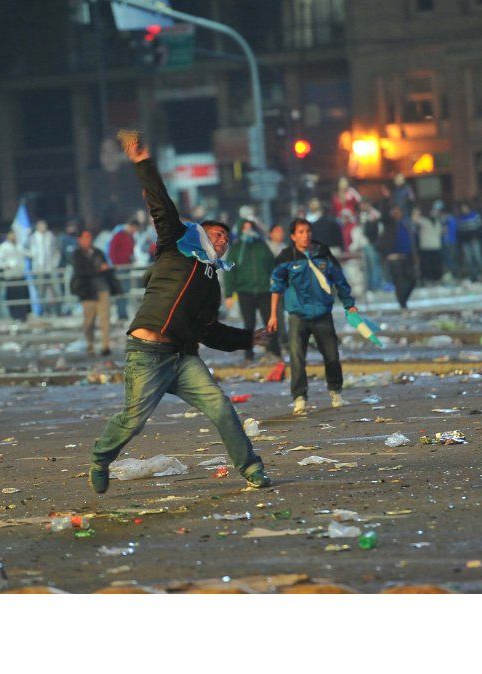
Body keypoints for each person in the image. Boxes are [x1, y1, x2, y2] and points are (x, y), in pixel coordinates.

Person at [89, 136, 272, 494]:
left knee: (221, 407)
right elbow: (161, 205)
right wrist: (143, 162)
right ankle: (100, 458)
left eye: (225, 240)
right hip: (146, 354)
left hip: (183, 358)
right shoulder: (174, 244)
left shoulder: (212, 283)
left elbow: (209, 330)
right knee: (133, 421)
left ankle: (252, 470)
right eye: (216, 234)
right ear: (202, 233)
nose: (221, 242)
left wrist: (247, 338)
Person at [268, 218, 357, 416]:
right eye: (300, 232)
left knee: (332, 355)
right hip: (297, 316)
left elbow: (339, 280)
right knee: (297, 358)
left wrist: (349, 304)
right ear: (293, 236)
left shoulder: (322, 253)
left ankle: (335, 391)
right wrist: (273, 315)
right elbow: (276, 288)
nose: (305, 235)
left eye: (308, 231)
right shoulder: (285, 257)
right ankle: (300, 398)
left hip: (323, 314)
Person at [224, 219, 282, 363]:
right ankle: (248, 356)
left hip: (264, 290)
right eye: (245, 228)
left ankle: (274, 352)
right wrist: (229, 294)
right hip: (245, 291)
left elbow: (272, 266)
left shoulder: (262, 247)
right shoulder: (236, 249)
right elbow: (229, 272)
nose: (248, 230)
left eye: (250, 227)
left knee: (270, 323)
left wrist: (277, 285)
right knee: (248, 325)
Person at [71, 230, 112, 356]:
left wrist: (102, 269)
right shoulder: (77, 254)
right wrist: (97, 269)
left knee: (104, 319)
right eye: (85, 238)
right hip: (87, 291)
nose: (88, 240)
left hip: (102, 289)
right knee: (89, 321)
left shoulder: (98, 252)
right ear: (80, 240)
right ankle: (90, 345)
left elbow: (106, 267)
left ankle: (105, 346)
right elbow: (80, 271)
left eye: (89, 237)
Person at [380, 204, 417, 309]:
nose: (396, 214)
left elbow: (409, 241)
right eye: (394, 212)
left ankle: (403, 300)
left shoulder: (403, 225)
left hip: (405, 257)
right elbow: (384, 217)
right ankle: (402, 304)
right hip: (394, 258)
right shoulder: (388, 225)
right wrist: (386, 201)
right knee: (399, 282)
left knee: (412, 279)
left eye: (398, 211)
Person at [0, 231, 30, 321]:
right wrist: (6, 265)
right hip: (11, 277)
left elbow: (28, 253)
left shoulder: (19, 246)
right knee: (13, 299)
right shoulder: (4, 247)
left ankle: (23, 317)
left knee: (23, 298)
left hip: (20, 276)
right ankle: (15, 317)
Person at [108, 219, 139, 322]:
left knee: (125, 291)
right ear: (131, 226)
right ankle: (121, 314)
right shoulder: (119, 236)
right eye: (134, 229)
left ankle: (123, 313)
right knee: (120, 291)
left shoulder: (130, 237)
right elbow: (112, 251)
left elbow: (130, 252)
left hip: (127, 267)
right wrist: (116, 264)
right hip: (120, 268)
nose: (134, 231)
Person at [29, 220, 60, 316]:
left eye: (44, 225)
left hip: (51, 268)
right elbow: (24, 249)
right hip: (39, 269)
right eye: (41, 226)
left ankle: (57, 311)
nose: (43, 227)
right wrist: (32, 255)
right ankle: (43, 311)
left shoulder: (51, 236)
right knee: (41, 291)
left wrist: (55, 263)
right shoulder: (33, 238)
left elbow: (56, 250)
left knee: (56, 290)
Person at [456, 201, 482, 282]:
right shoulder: (460, 218)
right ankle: (473, 277)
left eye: (465, 207)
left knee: (478, 258)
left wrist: (476, 237)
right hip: (466, 242)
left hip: (474, 241)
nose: (464, 209)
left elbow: (480, 228)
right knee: (469, 260)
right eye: (462, 208)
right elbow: (460, 231)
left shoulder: (475, 215)